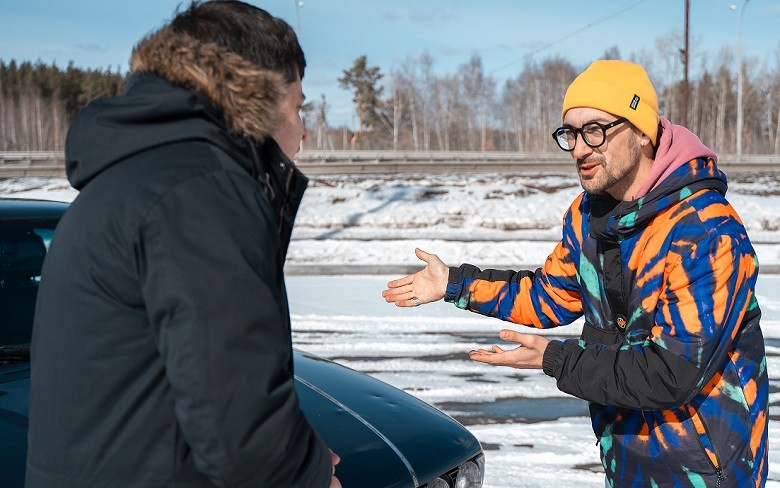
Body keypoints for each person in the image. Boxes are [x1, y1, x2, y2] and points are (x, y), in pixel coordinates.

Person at [383, 60, 768, 488]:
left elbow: (670, 374)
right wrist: (456, 283)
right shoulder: (588, 217)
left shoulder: (705, 231)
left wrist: (554, 359)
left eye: (595, 130)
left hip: (707, 471)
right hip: (626, 457)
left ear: (642, 131)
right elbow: (550, 295)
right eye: (571, 133)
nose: (581, 148)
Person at [26, 2, 340, 487]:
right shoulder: (199, 191)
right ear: (255, 93)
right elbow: (240, 425)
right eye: (299, 107)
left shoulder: (140, 177)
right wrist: (309, 475)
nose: (304, 129)